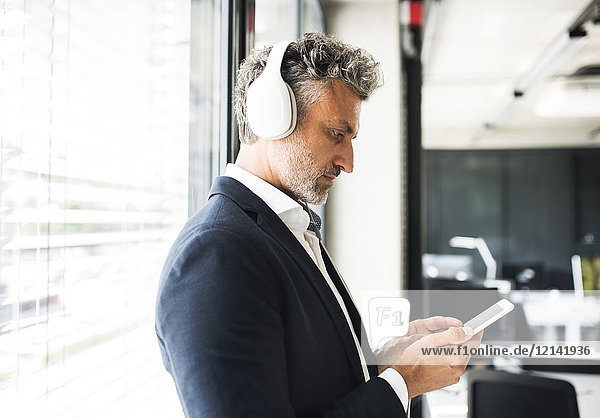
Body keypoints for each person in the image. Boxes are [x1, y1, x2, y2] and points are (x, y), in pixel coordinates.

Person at [155, 32, 482, 417]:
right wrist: (404, 381)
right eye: (337, 134)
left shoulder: (285, 229)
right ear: (271, 117)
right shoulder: (216, 254)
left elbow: (308, 385)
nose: (349, 161)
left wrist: (382, 362)